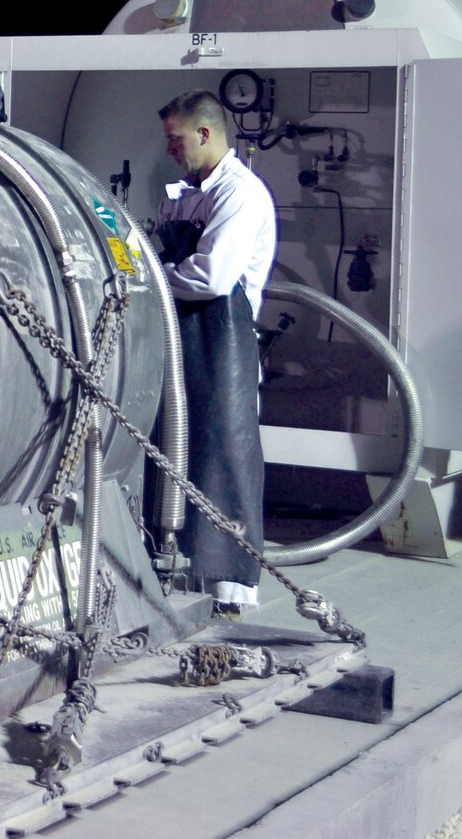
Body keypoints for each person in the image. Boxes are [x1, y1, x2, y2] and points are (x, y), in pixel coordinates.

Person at [156, 91, 277, 616]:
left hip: (222, 341)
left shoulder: (241, 194)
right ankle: (170, 568)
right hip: (179, 336)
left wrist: (146, 277)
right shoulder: (181, 194)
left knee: (222, 455)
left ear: (205, 133)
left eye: (175, 139)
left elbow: (212, 277)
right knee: (171, 449)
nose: (171, 149)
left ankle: (229, 591)